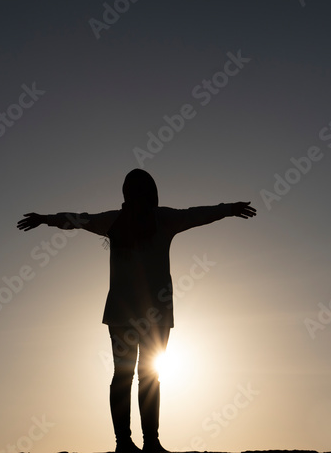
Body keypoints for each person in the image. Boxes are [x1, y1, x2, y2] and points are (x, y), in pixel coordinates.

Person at [17, 168, 257, 453]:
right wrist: (46, 219)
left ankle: (141, 442)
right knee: (136, 375)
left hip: (134, 312)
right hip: (140, 312)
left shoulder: (134, 220)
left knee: (135, 375)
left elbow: (79, 220)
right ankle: (133, 443)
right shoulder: (150, 219)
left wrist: (228, 209)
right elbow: (78, 220)